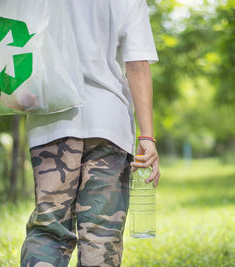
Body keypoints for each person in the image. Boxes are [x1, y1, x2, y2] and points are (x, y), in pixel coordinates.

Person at [20, 0, 160, 266]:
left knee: (49, 228)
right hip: (108, 123)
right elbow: (137, 64)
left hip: (52, 117)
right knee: (101, 236)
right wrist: (147, 137)